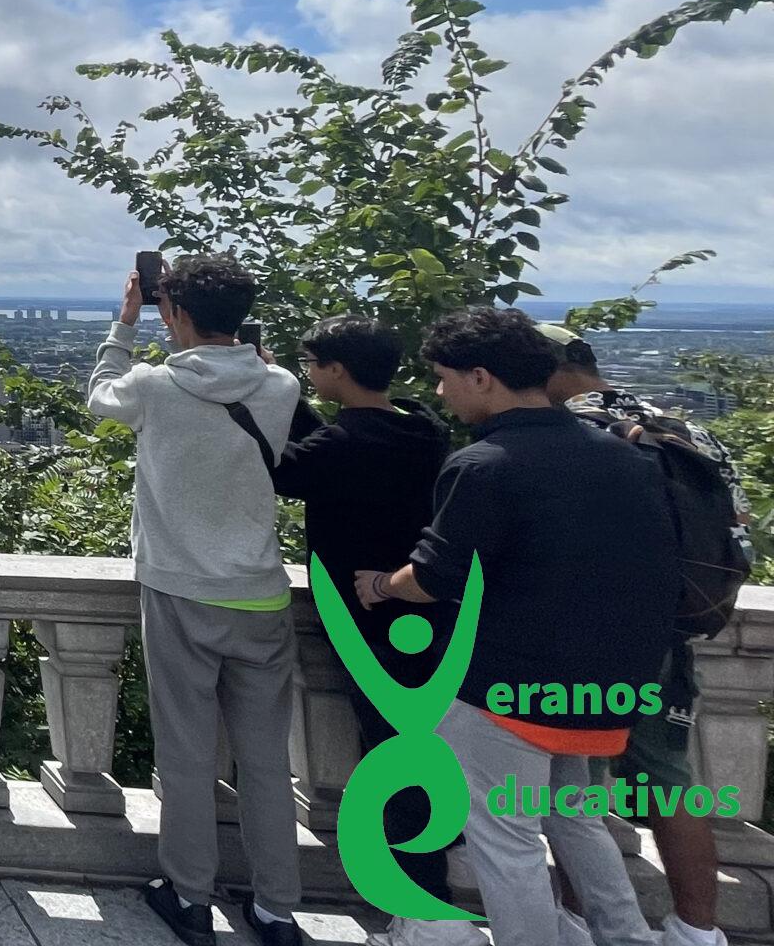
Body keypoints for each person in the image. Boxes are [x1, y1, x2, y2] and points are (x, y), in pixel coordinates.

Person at [357, 307, 679, 946]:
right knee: (574, 818)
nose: (441, 392)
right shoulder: (624, 456)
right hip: (605, 682)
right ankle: (628, 937)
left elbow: (435, 577)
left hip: (508, 688)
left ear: (481, 376)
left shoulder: (484, 464)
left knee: (506, 839)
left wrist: (382, 585)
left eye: (445, 377)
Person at [88, 253, 305, 946]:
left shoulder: (154, 385)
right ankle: (276, 909)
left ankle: (190, 896)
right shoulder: (281, 385)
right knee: (266, 762)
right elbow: (263, 390)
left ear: (172, 311)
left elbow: (99, 396)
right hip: (261, 594)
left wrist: (125, 324)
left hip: (179, 589)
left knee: (187, 754)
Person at [542, 323, 748, 946]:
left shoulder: (572, 431)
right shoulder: (682, 428)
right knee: (667, 780)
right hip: (671, 630)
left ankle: (579, 922)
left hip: (593, 634)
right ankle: (697, 931)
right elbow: (735, 526)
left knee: (574, 791)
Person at [268, 316, 469, 946]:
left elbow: (280, 468)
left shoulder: (345, 446)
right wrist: (292, 397)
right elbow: (330, 446)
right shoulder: (420, 427)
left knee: (395, 761)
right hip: (430, 616)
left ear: (336, 370)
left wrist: (256, 392)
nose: (307, 373)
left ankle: (428, 916)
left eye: (310, 365)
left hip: (373, 622)